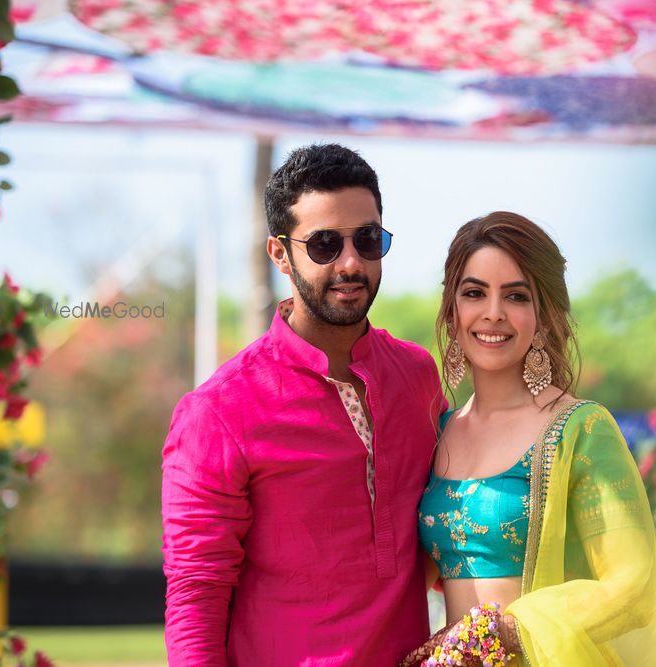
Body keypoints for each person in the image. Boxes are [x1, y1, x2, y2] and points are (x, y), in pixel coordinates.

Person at [162, 143, 445, 666]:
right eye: (323, 245)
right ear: (279, 254)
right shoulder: (219, 412)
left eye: (367, 239)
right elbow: (196, 594)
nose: (351, 263)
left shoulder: (417, 378)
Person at [402, 212, 656, 666]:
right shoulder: (438, 432)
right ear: (452, 311)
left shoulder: (581, 430)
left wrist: (499, 632)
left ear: (544, 315)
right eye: (474, 292)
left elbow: (633, 587)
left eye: (515, 295)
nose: (493, 312)